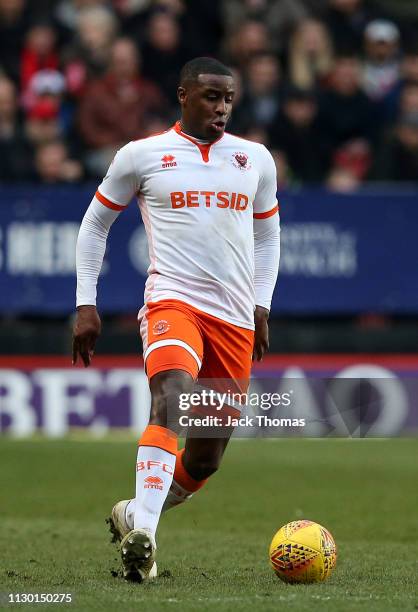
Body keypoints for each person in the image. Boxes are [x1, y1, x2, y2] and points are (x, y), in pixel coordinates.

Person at [72, 56, 280, 582]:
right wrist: (86, 302)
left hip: (233, 318)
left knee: (206, 457)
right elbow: (96, 224)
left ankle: (134, 515)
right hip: (173, 302)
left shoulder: (254, 159)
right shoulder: (143, 156)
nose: (222, 109)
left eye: (229, 99)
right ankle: (146, 544)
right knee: (172, 398)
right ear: (184, 96)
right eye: (211, 97)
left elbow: (268, 235)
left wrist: (262, 302)